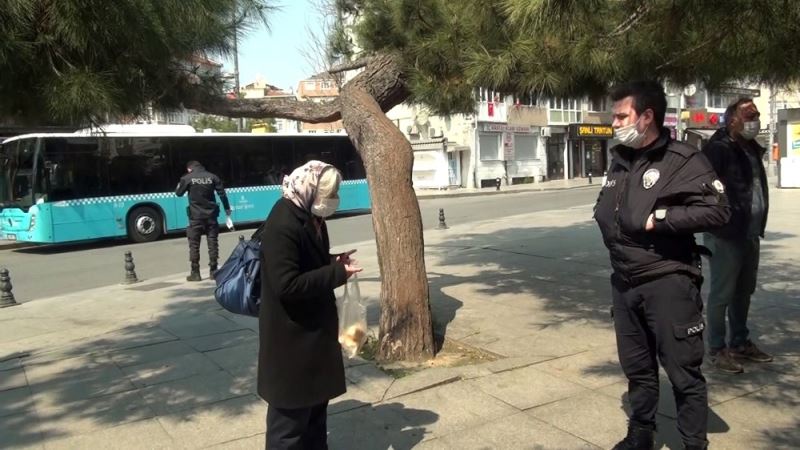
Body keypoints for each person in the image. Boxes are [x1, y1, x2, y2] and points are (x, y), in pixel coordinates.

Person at [594, 81, 730, 450]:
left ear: (647, 116)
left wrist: (663, 217)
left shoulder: (682, 160)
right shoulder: (620, 158)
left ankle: (693, 444)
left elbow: (718, 210)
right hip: (624, 283)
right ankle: (641, 433)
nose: (614, 123)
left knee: (683, 372)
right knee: (638, 368)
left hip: (667, 281)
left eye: (621, 116)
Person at [258, 160, 361, 449]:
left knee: (315, 417)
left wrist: (331, 261)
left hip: (314, 336)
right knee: (289, 427)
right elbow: (287, 284)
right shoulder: (282, 221)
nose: (330, 203)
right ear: (308, 188)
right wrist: (336, 273)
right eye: (326, 196)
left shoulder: (311, 217)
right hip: (291, 340)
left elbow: (306, 263)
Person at [702, 98, 772, 374]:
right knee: (722, 294)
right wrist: (720, 220)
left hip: (750, 232)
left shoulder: (750, 147)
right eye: (749, 114)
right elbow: (705, 189)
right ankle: (717, 349)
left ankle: (740, 342)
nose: (755, 119)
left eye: (756, 114)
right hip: (725, 234)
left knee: (744, 291)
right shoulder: (717, 149)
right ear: (733, 119)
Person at [175, 160, 231, 281]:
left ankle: (195, 273)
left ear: (189, 169)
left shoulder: (187, 178)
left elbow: (178, 193)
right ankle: (214, 270)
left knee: (194, 244)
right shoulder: (212, 177)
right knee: (212, 242)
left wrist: (181, 181)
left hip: (195, 217)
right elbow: (222, 194)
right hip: (211, 216)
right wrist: (227, 208)